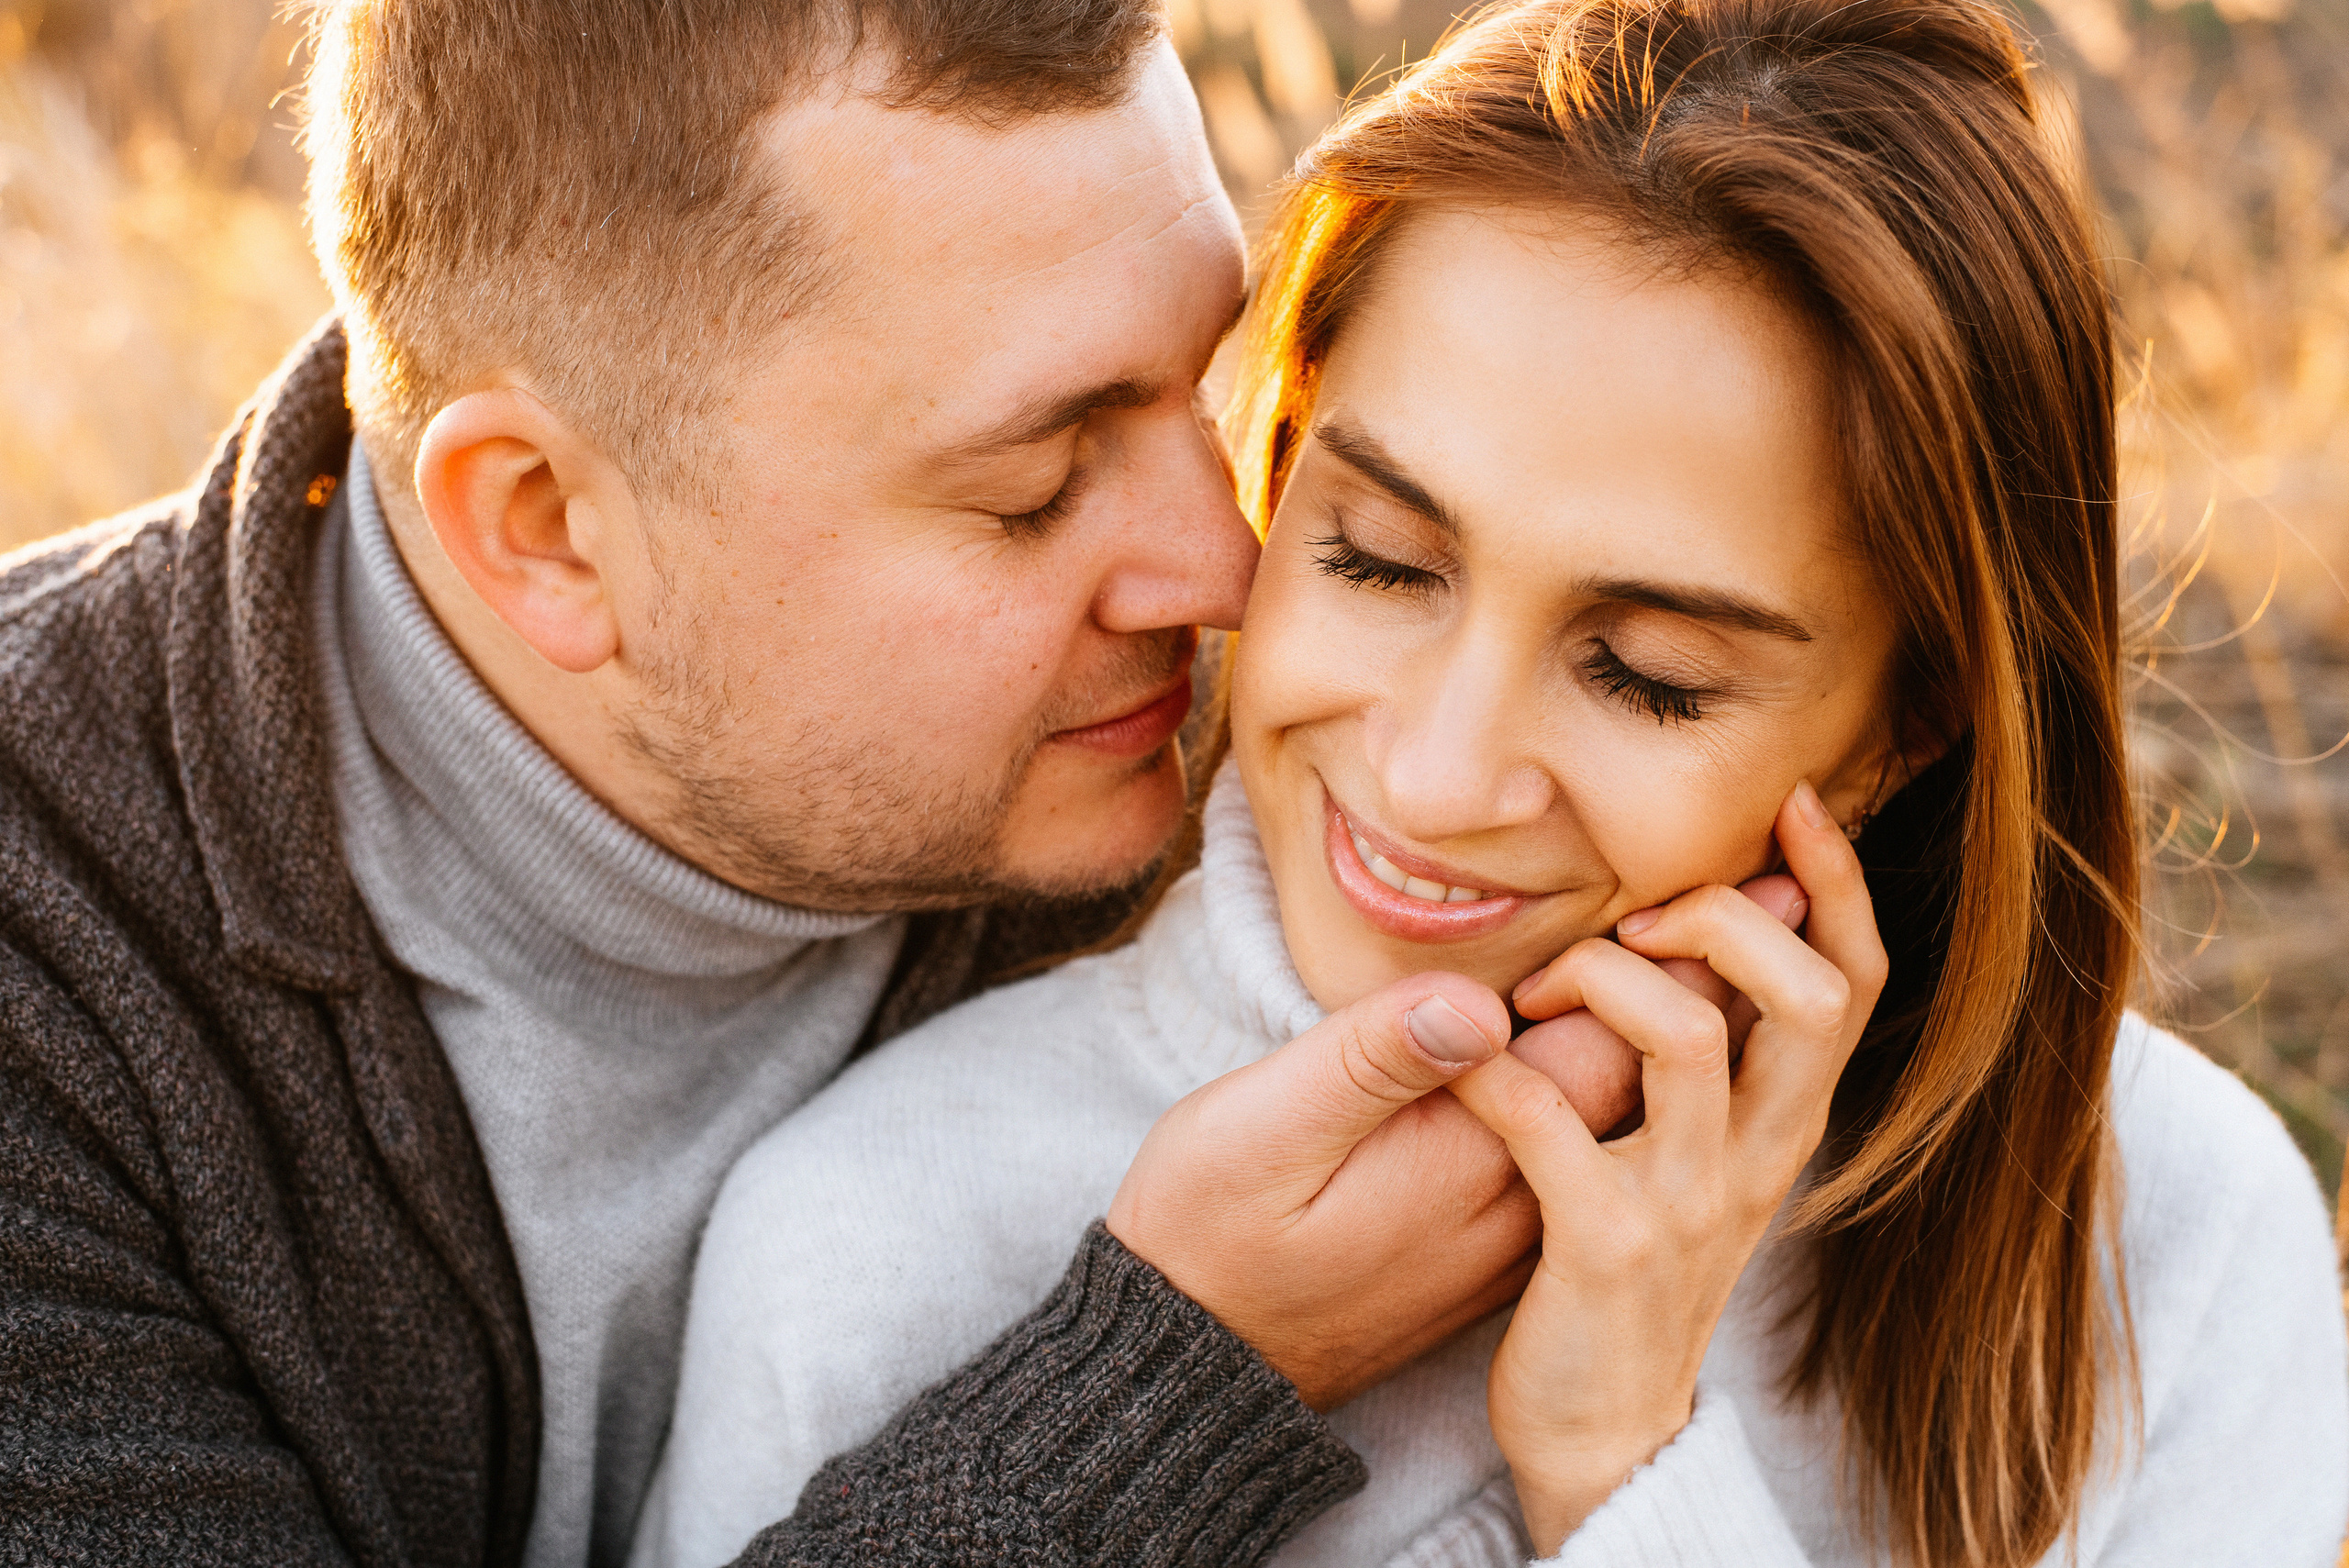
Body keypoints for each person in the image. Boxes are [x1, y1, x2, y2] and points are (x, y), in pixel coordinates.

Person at [640, 0, 2349, 1563]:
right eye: (1380, 559)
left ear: (1912, 726)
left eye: (1647, 675)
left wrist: (1626, 1464)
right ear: (1280, 452)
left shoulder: (2165, 1238)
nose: (1437, 774)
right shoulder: (871, 1229)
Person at [0, 1, 1564, 1563]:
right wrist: (1182, 1383)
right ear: (543, 523)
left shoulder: (1342, 785)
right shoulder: (49, 973)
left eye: (1201, 387)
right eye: (1036, 489)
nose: (1225, 572)